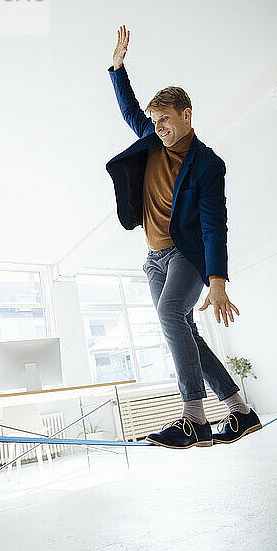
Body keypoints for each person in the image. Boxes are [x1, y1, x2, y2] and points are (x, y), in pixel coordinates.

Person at [107, 25, 262, 448]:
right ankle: (241, 412)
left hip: (186, 254)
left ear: (187, 116)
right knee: (185, 331)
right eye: (155, 121)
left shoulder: (208, 164)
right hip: (153, 258)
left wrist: (217, 282)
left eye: (166, 120)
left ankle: (194, 418)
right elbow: (129, 110)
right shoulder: (150, 139)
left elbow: (214, 225)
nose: (159, 127)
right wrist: (118, 67)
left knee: (171, 312)